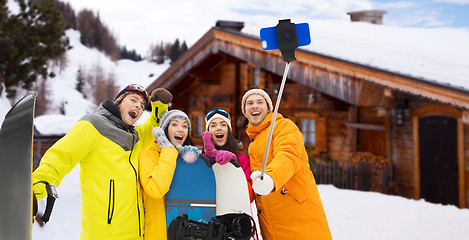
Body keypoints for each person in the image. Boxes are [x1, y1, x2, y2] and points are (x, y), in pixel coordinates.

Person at [32, 84, 172, 240]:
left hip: (135, 234)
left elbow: (155, 124)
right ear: (119, 102)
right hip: (103, 234)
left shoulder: (135, 136)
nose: (138, 107)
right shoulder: (93, 125)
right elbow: (60, 157)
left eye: (141, 105)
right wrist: (34, 188)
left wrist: (159, 104)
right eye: (133, 100)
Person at [241, 88, 332, 240]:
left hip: (297, 215)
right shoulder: (254, 142)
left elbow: (289, 155)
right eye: (249, 103)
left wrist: (271, 177)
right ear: (245, 112)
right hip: (273, 224)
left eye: (259, 102)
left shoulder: (283, 127)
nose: (254, 106)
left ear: (269, 108)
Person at [139, 109, 200, 240]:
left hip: (184, 232)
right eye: (174, 124)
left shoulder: (185, 158)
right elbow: (155, 190)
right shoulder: (147, 155)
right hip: (157, 233)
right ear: (164, 129)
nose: (181, 129)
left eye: (185, 126)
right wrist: (168, 151)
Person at [202, 107, 253, 202]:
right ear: (208, 133)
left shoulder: (243, 160)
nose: (218, 128)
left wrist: (232, 166)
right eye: (213, 125)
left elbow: (248, 195)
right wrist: (210, 156)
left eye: (223, 125)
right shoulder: (201, 161)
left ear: (228, 131)